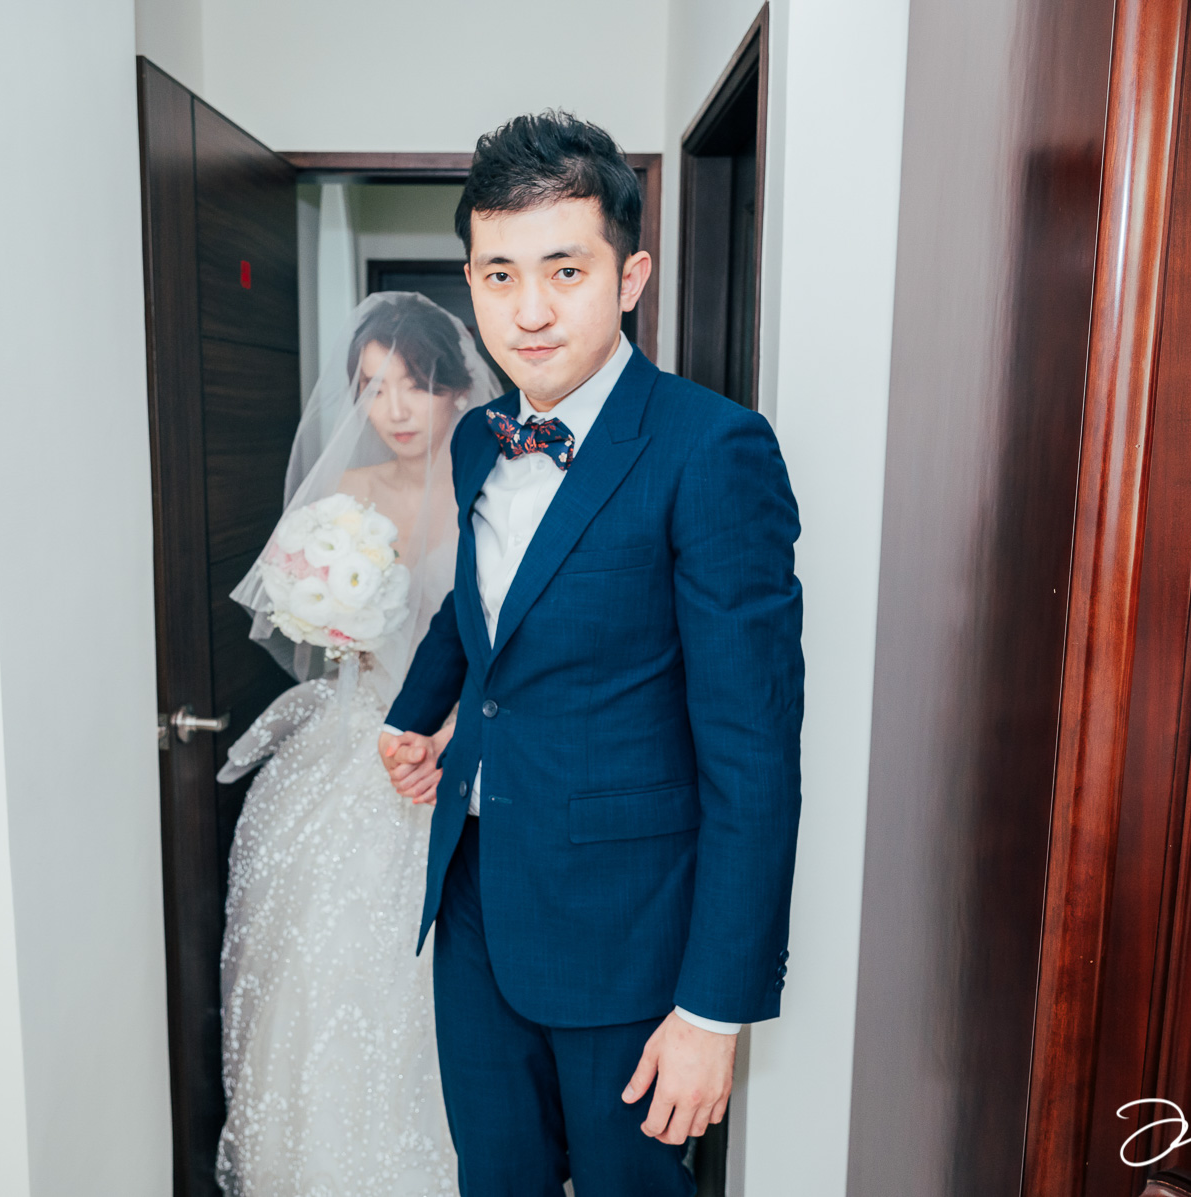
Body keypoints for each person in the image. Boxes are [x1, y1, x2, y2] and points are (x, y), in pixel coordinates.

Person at [377, 112, 805, 1197]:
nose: (528, 311)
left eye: (564, 271)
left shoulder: (713, 451)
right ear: (471, 283)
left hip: (631, 933)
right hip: (475, 899)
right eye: (500, 274)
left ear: (630, 278)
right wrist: (417, 711)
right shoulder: (476, 439)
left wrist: (712, 1010)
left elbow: (754, 755)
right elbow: (481, 605)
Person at [216, 293, 500, 1196]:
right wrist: (329, 618)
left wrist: (451, 726)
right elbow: (312, 628)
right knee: (329, 968)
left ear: (457, 386)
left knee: (448, 982)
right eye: (375, 388)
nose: (396, 409)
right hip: (356, 746)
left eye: (415, 384)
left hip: (461, 751)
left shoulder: (498, 490)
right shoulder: (346, 497)